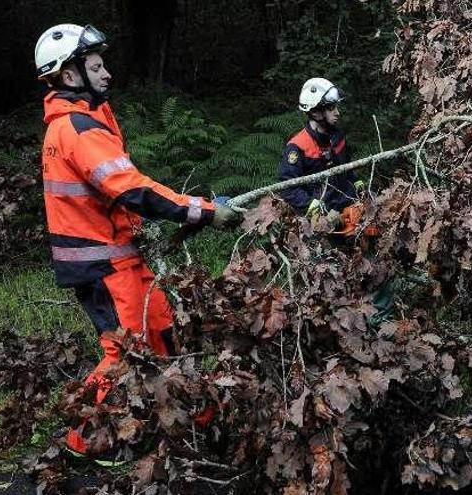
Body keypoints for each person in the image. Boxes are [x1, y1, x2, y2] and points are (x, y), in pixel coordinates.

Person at [34, 23, 237, 455]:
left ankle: (192, 415)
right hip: (103, 263)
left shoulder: (83, 120)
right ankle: (81, 440)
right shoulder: (77, 128)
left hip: (117, 256)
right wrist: (203, 209)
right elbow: (132, 188)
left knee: (162, 327)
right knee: (124, 351)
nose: (106, 73)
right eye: (96, 66)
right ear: (70, 76)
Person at [277, 77, 366, 230]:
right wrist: (311, 205)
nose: (337, 113)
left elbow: (346, 167)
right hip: (322, 221)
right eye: (331, 108)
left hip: (348, 210)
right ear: (316, 112)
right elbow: (287, 187)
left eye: (336, 107)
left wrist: (356, 182)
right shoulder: (297, 147)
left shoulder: (338, 136)